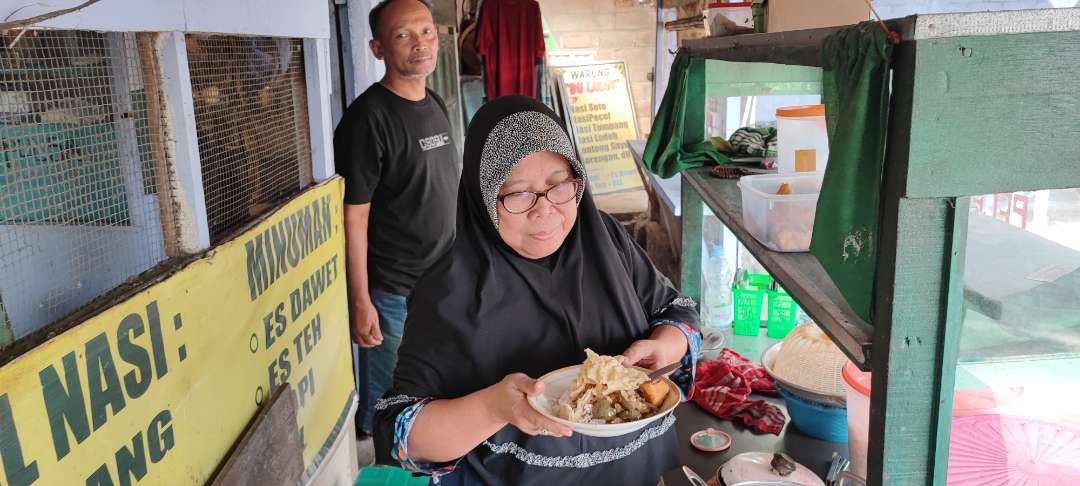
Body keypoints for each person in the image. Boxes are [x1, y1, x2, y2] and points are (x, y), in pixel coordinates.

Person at [373, 96, 702, 485]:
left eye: (558, 185)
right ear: (483, 198)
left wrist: (665, 345)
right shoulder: (448, 290)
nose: (544, 210)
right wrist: (493, 408)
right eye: (517, 193)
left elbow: (676, 310)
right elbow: (401, 431)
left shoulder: (606, 240)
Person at [333, 0, 460, 437]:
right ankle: (382, 465)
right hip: (392, 293)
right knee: (387, 403)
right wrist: (360, 299)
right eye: (403, 35)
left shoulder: (436, 101)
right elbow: (353, 218)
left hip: (441, 283)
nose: (420, 44)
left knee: (429, 391)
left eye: (426, 31)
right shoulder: (367, 120)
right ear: (378, 48)